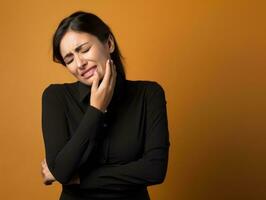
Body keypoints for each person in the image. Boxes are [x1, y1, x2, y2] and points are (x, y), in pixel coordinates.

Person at [41, 11, 170, 200]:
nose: (79, 63)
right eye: (69, 59)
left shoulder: (149, 94)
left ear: (109, 43)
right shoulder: (55, 97)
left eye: (84, 50)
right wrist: (95, 110)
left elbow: (154, 170)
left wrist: (79, 179)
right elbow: (61, 170)